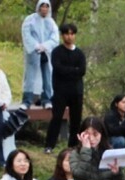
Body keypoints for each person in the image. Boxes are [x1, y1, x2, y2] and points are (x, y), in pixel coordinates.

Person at [45, 23, 85, 153]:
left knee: (76, 119)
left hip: (76, 91)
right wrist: (73, 70)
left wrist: (70, 71)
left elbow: (82, 70)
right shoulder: (57, 52)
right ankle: (49, 145)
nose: (69, 36)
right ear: (62, 35)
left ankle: (73, 145)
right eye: (67, 34)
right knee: (57, 117)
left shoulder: (79, 53)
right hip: (61, 90)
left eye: (72, 34)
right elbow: (58, 68)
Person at [21, 0, 59, 108]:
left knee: (47, 76)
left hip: (46, 53)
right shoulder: (30, 20)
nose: (44, 9)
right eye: (43, 6)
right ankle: (27, 100)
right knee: (30, 77)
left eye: (47, 7)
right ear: (39, 7)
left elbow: (54, 38)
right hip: (33, 52)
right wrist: (35, 45)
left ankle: (46, 99)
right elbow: (26, 34)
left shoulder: (51, 23)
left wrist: (45, 46)